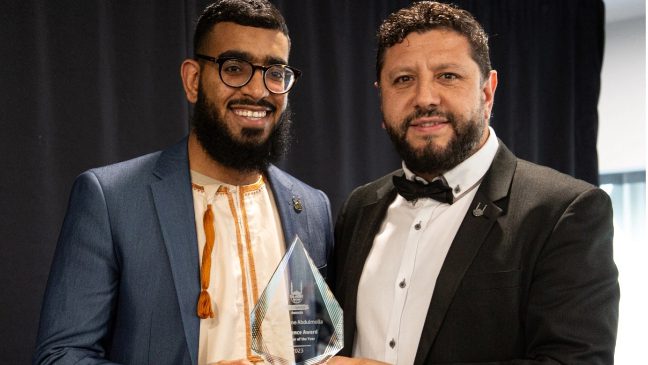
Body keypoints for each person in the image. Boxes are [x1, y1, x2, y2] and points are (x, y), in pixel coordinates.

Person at [33, 1, 333, 364]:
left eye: (274, 72)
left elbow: (318, 345)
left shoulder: (313, 207)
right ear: (193, 80)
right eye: (234, 68)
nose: (258, 91)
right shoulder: (111, 199)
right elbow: (61, 356)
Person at [329, 2, 619, 364]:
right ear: (381, 98)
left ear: (487, 91)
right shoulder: (359, 207)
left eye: (447, 75)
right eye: (403, 79)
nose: (424, 98)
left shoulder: (565, 210)